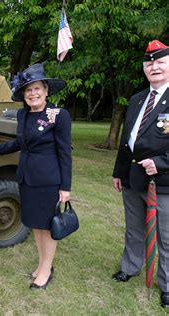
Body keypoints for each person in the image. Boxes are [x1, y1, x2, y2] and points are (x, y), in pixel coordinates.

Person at [0, 63, 71, 290]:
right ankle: (43, 264)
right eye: (28, 90)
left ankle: (46, 270)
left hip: (48, 180)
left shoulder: (58, 115)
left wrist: (66, 187)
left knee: (48, 226)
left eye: (36, 88)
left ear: (46, 90)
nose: (32, 93)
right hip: (26, 177)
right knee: (35, 224)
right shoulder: (23, 114)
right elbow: (22, 143)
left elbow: (65, 153)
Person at [111, 39, 169, 308]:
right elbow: (127, 139)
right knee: (134, 230)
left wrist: (162, 162)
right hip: (133, 178)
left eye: (160, 62)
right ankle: (131, 266)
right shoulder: (136, 100)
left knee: (166, 237)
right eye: (150, 63)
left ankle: (167, 285)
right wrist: (118, 172)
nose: (154, 67)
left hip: (164, 182)